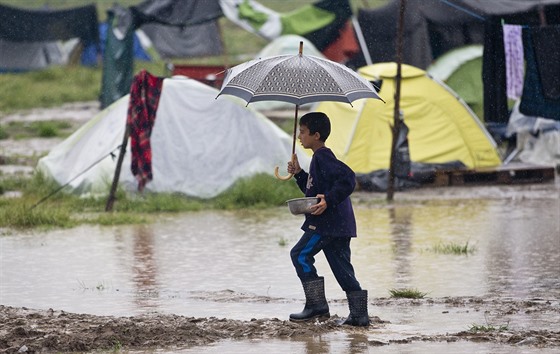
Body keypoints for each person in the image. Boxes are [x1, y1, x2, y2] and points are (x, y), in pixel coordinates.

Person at [286, 111, 369, 326]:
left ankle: (316, 306)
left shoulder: (323, 156)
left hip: (326, 224)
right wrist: (299, 173)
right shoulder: (318, 159)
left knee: (300, 255)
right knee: (342, 268)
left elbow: (348, 178)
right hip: (340, 225)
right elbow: (313, 190)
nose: (299, 137)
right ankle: (359, 315)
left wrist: (329, 200)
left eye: (302, 132)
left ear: (316, 135)